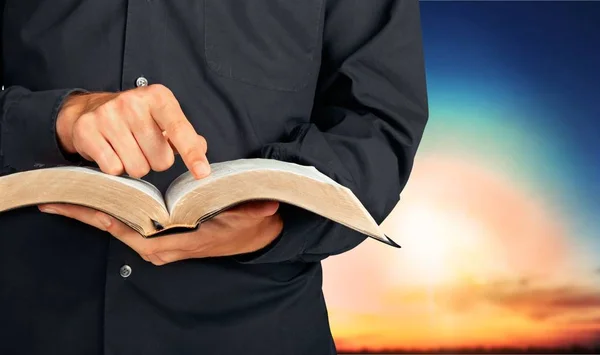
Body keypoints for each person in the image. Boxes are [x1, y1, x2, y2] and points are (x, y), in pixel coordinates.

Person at [0, 1, 428, 354]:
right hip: (25, 323)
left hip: (256, 329)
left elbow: (380, 122)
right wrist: (58, 119)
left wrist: (276, 224)